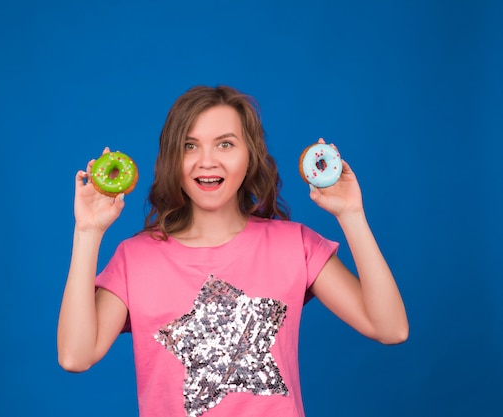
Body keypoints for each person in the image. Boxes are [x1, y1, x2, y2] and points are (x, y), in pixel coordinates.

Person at [57, 85, 408, 417]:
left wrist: (352, 214)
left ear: (250, 155)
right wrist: (87, 231)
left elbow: (390, 328)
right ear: (171, 159)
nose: (206, 161)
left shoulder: (294, 245)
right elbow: (76, 355)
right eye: (189, 146)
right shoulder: (135, 258)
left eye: (225, 144)